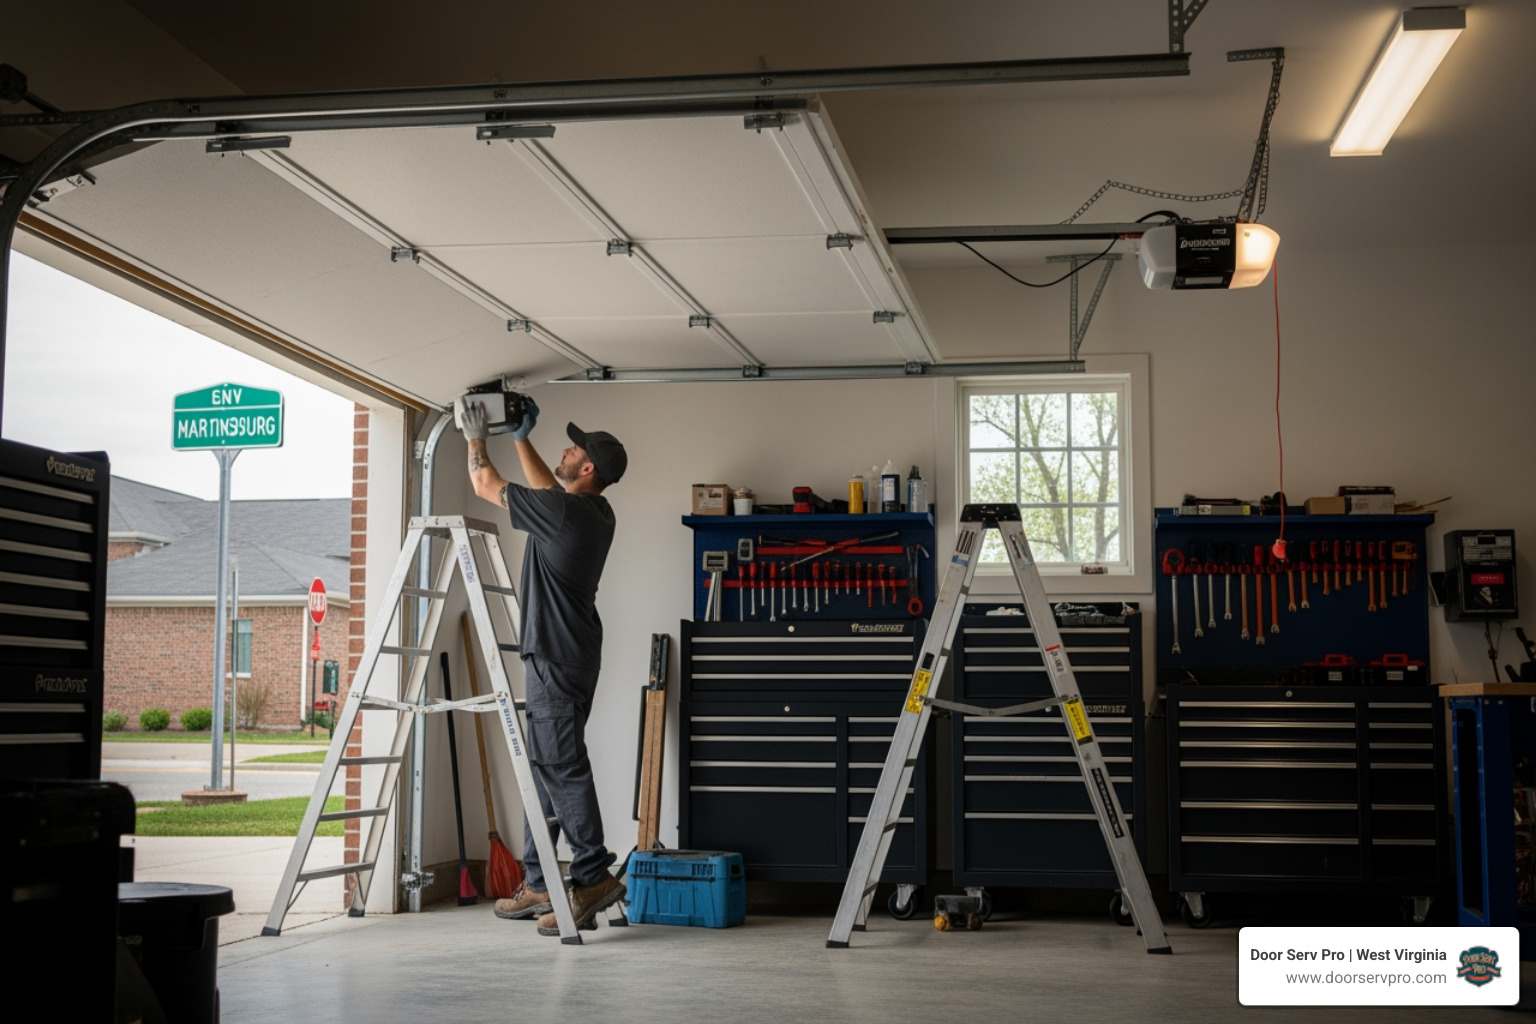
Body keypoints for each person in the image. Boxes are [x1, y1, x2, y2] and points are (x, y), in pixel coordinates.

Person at [461, 395, 628, 936]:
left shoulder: (563, 512)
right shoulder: (594, 511)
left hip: (555, 656)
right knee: (547, 767)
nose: (565, 446)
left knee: (559, 767)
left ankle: (592, 875)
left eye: (573, 447)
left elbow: (486, 485)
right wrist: (521, 438)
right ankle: (538, 881)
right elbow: (546, 490)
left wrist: (475, 434)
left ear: (587, 468)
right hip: (574, 654)